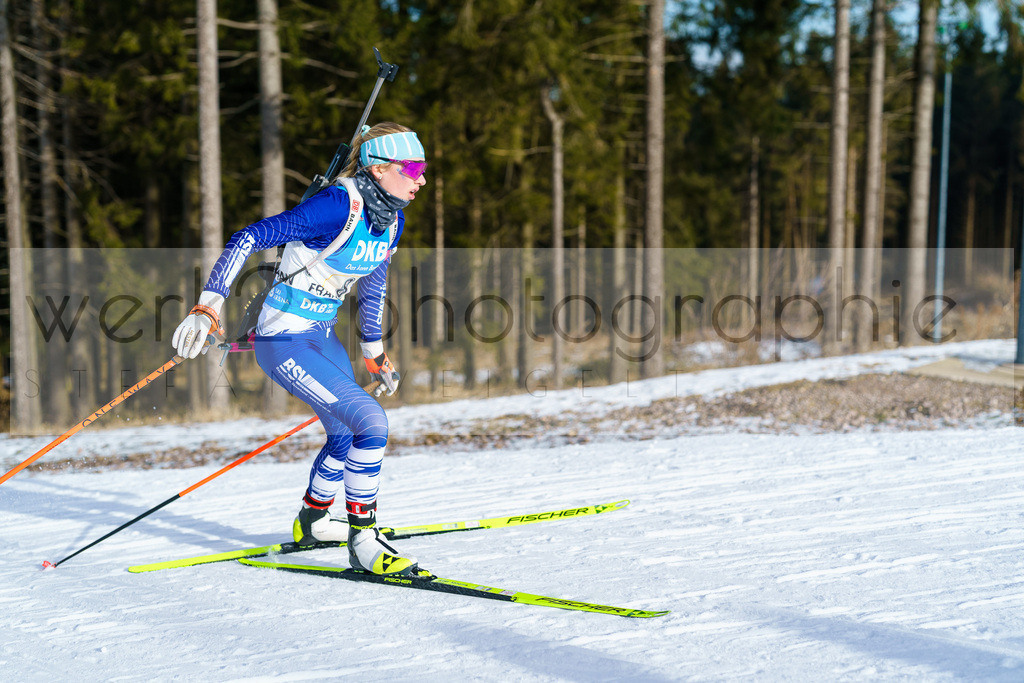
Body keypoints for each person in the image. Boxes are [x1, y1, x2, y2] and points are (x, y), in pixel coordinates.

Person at [172, 122, 427, 576]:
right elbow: (248, 237)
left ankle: (312, 520)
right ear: (379, 167)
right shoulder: (336, 206)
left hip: (321, 336)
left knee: (347, 432)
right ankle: (364, 540)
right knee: (371, 420)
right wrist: (207, 307)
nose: (421, 178)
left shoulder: (392, 218)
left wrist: (374, 349)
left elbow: (372, 281)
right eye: (413, 167)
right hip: (284, 342)